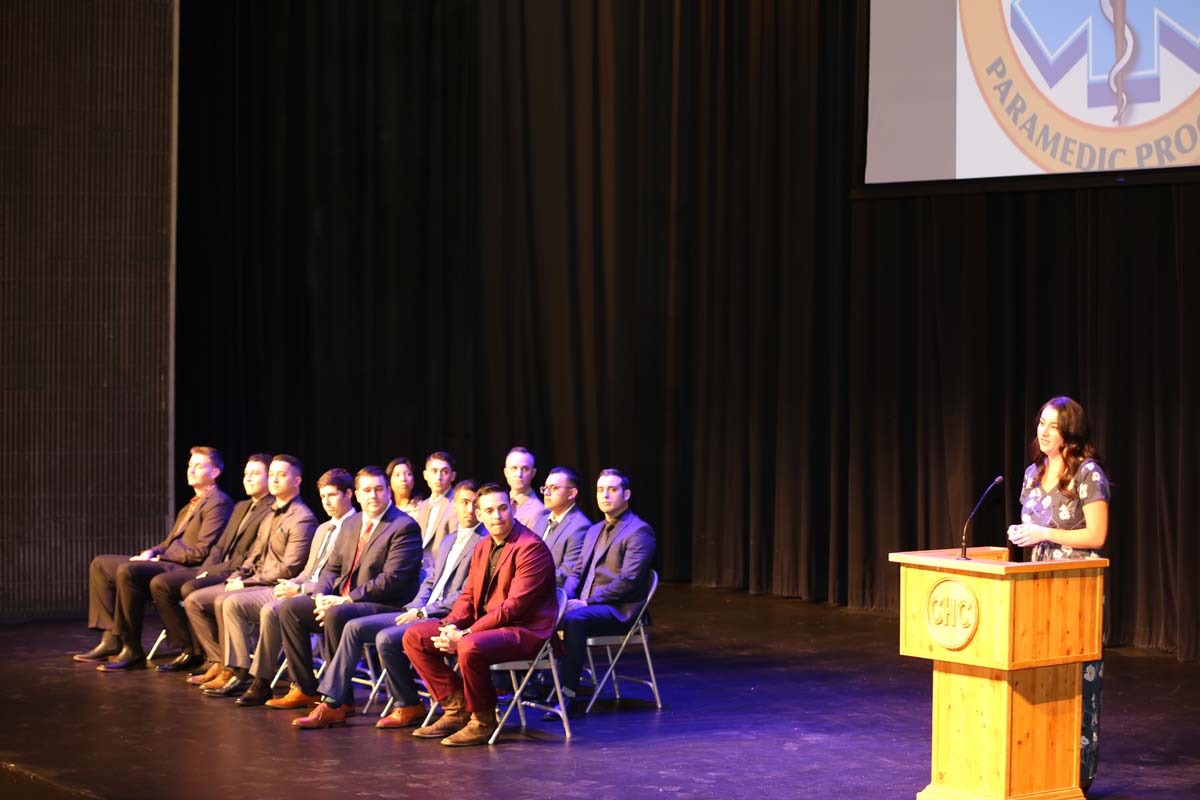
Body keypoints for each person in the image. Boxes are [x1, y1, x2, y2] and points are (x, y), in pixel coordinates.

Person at [290, 480, 486, 729]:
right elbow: (431, 582)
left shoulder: (484, 541)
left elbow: (465, 593)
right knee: (354, 628)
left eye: (474, 504)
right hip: (417, 610)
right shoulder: (449, 540)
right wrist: (413, 607)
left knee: (385, 638)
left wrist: (422, 611)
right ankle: (333, 703)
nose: (469, 510)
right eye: (464, 503)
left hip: (446, 617)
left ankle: (407, 703)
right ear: (454, 507)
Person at [1007, 396, 1110, 791]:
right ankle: (1039, 766)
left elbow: (1097, 535)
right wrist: (1021, 534)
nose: (1043, 432)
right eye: (1040, 424)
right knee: (1039, 674)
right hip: (1036, 586)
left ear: (1070, 431)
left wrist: (1045, 533)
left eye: (1052, 425)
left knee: (1075, 679)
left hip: (1076, 590)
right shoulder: (1033, 473)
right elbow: (1031, 526)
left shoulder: (1088, 474)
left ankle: (1075, 775)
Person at [402, 483, 557, 746]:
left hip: (525, 630)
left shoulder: (531, 547)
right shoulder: (483, 546)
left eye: (502, 508)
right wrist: (449, 626)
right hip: (488, 627)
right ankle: (456, 707)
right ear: (480, 514)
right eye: (489, 511)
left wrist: (466, 632)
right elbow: (469, 596)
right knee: (415, 635)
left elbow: (514, 607)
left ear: (513, 508)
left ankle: (482, 721)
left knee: (469, 645)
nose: (497, 516)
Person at [265, 465, 423, 711]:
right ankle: (306, 688)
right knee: (291, 608)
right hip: (344, 601)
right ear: (357, 495)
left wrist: (346, 600)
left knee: (337, 614)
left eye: (379, 489)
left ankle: (338, 701)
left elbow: (392, 580)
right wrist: (320, 597)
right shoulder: (351, 523)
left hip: (384, 604)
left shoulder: (404, 526)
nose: (373, 495)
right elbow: (332, 568)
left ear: (389, 492)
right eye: (367, 490)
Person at [74, 446, 233, 671]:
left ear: (215, 472)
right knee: (101, 564)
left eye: (199, 466)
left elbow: (201, 551)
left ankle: (132, 648)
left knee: (129, 571)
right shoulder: (191, 505)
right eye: (190, 466)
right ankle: (111, 639)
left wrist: (160, 559)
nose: (191, 470)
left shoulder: (219, 502)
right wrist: (152, 552)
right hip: (169, 560)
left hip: (185, 567)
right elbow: (169, 542)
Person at [218, 468, 358, 704]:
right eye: (323, 497)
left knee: (273, 611)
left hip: (326, 597)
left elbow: (342, 577)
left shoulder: (356, 527)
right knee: (233, 602)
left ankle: (264, 682)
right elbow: (308, 570)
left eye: (332, 495)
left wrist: (302, 590)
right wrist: (293, 584)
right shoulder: (324, 528)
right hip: (301, 589)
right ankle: (238, 669)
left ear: (349, 494)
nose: (327, 502)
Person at [183, 454, 317, 692]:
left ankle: (239, 670)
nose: (274, 479)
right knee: (195, 599)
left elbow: (289, 568)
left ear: (297, 481)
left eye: (282, 475)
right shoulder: (270, 514)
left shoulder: (303, 518)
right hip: (255, 580)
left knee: (227, 601)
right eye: (273, 474)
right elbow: (254, 555)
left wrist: (246, 584)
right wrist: (239, 575)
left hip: (273, 585)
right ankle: (222, 661)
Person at [149, 453, 276, 673]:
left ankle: (213, 658)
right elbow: (219, 547)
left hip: (239, 572)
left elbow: (247, 557)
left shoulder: (271, 509)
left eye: (255, 474)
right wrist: (205, 570)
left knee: (189, 588)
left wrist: (209, 573)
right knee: (166, 584)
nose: (248, 478)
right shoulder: (241, 506)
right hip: (219, 567)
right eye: (246, 473)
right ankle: (198, 652)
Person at [555, 468, 656, 716]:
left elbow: (628, 581)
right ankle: (545, 684)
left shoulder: (639, 531)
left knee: (574, 619)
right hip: (590, 605)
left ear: (627, 494)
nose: (605, 496)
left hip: (620, 609)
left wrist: (586, 602)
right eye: (601, 490)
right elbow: (576, 573)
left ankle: (567, 693)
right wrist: (564, 600)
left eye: (612, 490)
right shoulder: (594, 529)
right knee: (554, 613)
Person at [531, 466, 591, 586]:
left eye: (554, 488)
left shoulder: (581, 526)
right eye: (546, 488)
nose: (547, 493)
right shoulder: (541, 520)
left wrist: (529, 578)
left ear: (572, 493)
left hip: (553, 592)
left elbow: (566, 574)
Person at [415, 451, 457, 564]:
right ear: (425, 475)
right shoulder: (422, 506)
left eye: (444, 472)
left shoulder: (457, 504)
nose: (439, 477)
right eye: (434, 471)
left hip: (441, 570)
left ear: (453, 476)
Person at [504, 446, 547, 529]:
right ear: (506, 472)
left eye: (525, 469)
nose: (519, 474)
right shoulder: (500, 501)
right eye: (514, 468)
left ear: (533, 473)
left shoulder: (539, 512)